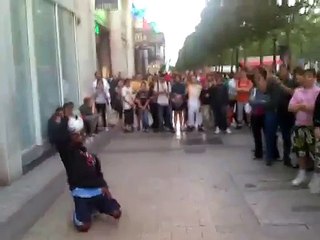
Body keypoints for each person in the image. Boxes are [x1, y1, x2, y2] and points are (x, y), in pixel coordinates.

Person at [64, 116, 121, 232]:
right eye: (77, 134)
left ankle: (95, 207)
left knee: (116, 213)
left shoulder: (91, 157)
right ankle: (80, 212)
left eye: (82, 133)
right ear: (71, 136)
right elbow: (62, 141)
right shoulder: (69, 155)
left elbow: (99, 173)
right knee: (84, 226)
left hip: (97, 191)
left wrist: (104, 186)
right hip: (81, 192)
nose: (81, 136)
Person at [289, 68, 320, 186]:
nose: (307, 78)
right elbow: (290, 107)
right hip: (300, 125)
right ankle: (301, 173)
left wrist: (301, 106)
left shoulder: (318, 91)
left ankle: (316, 175)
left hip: (313, 126)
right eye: (305, 76)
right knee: (301, 151)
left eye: (310, 76)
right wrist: (302, 106)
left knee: (315, 152)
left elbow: (315, 108)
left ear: (314, 78)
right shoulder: (298, 91)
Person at [249, 78, 268, 159]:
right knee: (256, 135)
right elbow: (251, 102)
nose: (260, 83)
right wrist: (262, 102)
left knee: (268, 134)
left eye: (262, 82)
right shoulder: (254, 91)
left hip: (265, 115)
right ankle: (258, 153)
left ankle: (271, 153)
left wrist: (258, 102)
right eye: (259, 81)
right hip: (255, 115)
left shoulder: (268, 92)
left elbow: (268, 102)